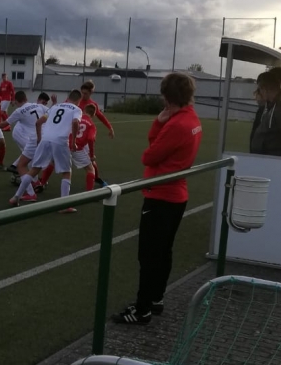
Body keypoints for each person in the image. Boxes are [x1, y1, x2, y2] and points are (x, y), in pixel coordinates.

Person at [112, 73, 202, 325]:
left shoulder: (177, 125)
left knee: (149, 256)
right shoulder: (191, 118)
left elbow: (149, 155)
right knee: (163, 252)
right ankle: (156, 299)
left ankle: (142, 310)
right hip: (175, 195)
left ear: (167, 97)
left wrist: (158, 124)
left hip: (162, 195)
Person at [10, 89, 83, 211]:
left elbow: (38, 122)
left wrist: (39, 138)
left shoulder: (55, 107)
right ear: (79, 101)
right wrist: (74, 141)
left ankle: (16, 197)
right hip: (60, 140)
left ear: (68, 97)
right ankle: (64, 205)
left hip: (45, 139)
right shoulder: (76, 109)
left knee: (34, 169)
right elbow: (75, 122)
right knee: (66, 172)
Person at [0, 90, 50, 196]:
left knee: (33, 158)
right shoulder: (36, 107)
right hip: (22, 133)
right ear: (39, 100)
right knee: (31, 159)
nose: (44, 105)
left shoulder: (33, 107)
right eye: (44, 102)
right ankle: (34, 183)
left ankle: (28, 176)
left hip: (31, 135)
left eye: (46, 103)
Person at [71, 102, 98, 191]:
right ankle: (89, 193)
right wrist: (92, 155)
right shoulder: (91, 125)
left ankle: (41, 182)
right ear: (93, 114)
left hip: (64, 146)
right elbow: (90, 139)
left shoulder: (75, 118)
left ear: (83, 111)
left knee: (52, 163)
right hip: (77, 149)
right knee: (90, 169)